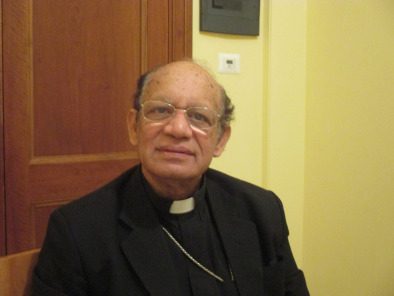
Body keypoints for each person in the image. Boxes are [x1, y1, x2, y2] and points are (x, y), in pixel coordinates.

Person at [32, 60, 309, 295]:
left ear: (220, 140)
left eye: (199, 117)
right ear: (133, 127)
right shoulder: (78, 231)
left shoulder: (261, 210)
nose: (178, 129)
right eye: (160, 110)